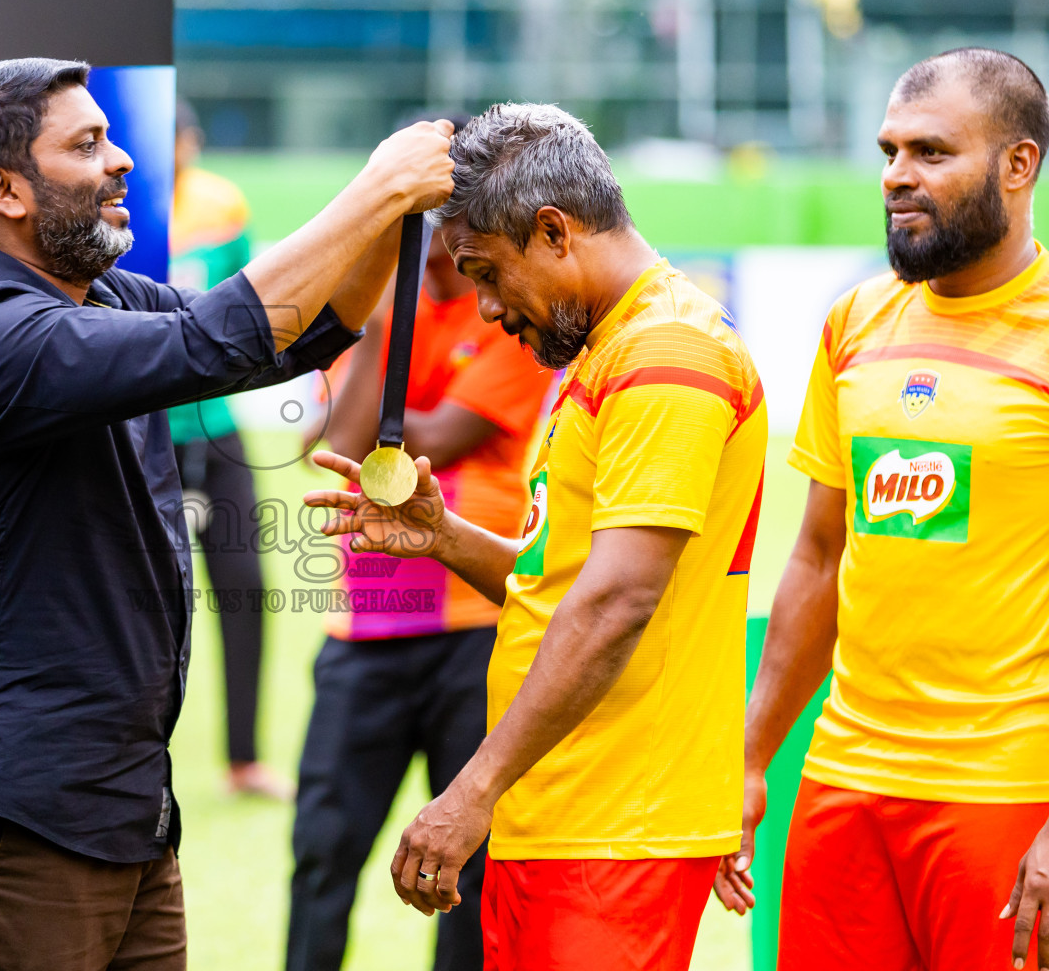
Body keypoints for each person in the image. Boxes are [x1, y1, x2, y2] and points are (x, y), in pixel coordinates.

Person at [0, 57, 453, 971]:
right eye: (85, 144)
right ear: (4, 190)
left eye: (111, 138)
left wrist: (393, 218)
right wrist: (376, 185)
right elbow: (217, 336)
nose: (123, 161)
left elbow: (288, 339)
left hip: (127, 815)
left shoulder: (105, 296)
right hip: (16, 819)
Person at [304, 102, 766, 971]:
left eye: (485, 273)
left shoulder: (668, 354)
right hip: (564, 809)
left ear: (553, 232)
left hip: (615, 822)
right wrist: (442, 536)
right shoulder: (608, 348)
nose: (481, 308)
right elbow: (561, 582)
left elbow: (619, 600)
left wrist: (471, 788)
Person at [711, 47, 1049, 971]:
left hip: (1004, 795)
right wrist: (750, 759)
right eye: (889, 150)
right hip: (842, 783)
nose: (898, 176)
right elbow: (819, 557)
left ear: (1019, 165)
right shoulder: (854, 321)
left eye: (932, 152)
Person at [287, 112, 553, 971]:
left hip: (469, 631)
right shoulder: (377, 325)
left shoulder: (512, 324)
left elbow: (417, 444)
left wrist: (396, 319)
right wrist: (382, 307)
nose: (438, 250)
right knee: (323, 849)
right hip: (364, 630)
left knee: (466, 871)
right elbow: (331, 443)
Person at [165, 99, 289, 799]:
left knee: (244, 587)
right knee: (145, 599)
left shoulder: (222, 205)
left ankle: (245, 758)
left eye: (185, 137)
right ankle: (138, 758)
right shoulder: (116, 207)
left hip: (217, 429)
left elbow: (249, 306)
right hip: (143, 434)